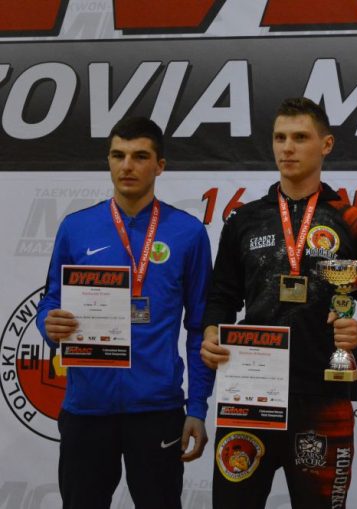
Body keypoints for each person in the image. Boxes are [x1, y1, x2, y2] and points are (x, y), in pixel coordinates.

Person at [200, 97, 357, 509]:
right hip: (248, 396)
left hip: (323, 398)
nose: (287, 148)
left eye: (300, 137)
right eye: (280, 138)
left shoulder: (352, 221)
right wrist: (212, 332)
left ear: (326, 144)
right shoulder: (243, 220)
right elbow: (221, 297)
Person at [36, 116, 215, 509]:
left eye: (140, 156)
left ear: (160, 165)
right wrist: (49, 325)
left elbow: (201, 326)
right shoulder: (76, 227)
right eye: (118, 155)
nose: (127, 166)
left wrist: (198, 407)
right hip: (87, 408)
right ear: (108, 160)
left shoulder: (187, 233)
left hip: (158, 409)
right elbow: (50, 300)